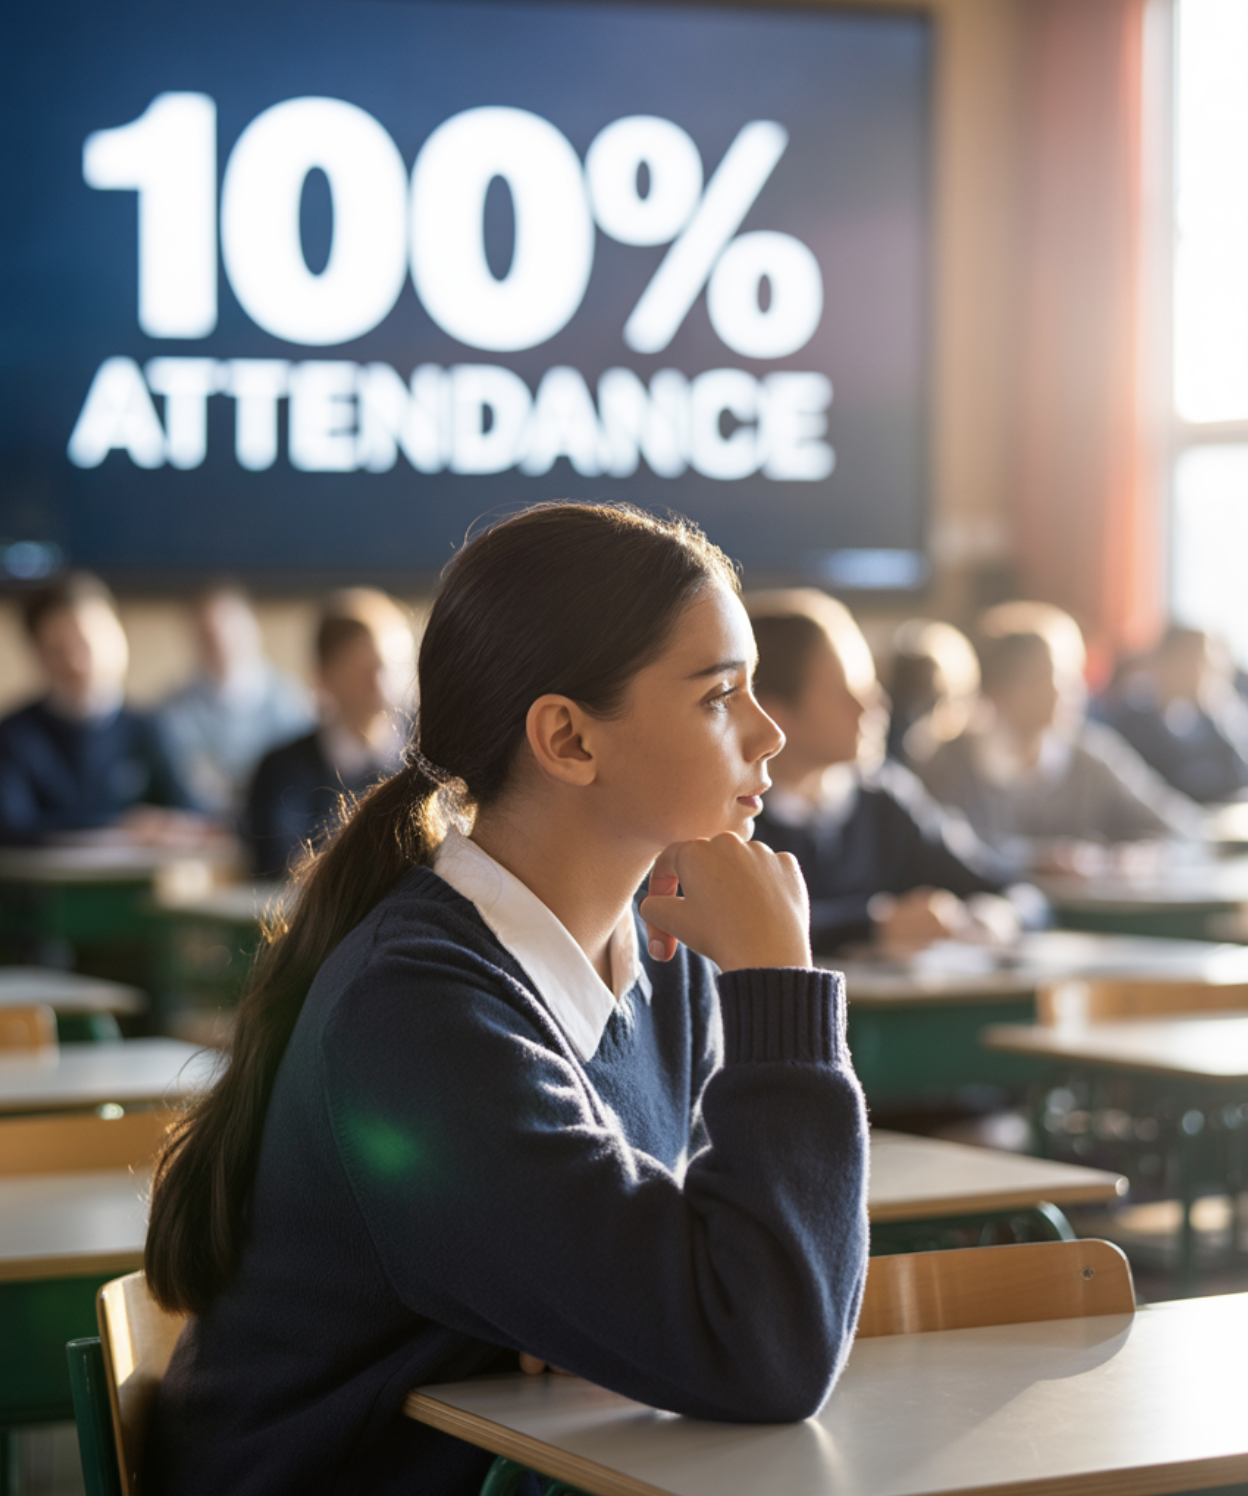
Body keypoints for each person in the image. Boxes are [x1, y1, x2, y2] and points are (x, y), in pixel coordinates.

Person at [143, 503, 868, 1496]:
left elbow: (738, 1283)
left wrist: (623, 1312)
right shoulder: (415, 1013)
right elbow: (766, 1344)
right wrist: (780, 987)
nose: (768, 731)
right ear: (567, 737)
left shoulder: (667, 960)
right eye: (718, 695)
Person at [747, 590, 1030, 954]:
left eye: (871, 687)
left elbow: (1015, 891)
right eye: (846, 693)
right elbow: (735, 924)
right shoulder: (734, 821)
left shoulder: (883, 801)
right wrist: (874, 927)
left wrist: (994, 918)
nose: (875, 706)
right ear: (774, 715)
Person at [916, 601, 1202, 870]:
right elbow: (941, 850)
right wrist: (1039, 859)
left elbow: (1178, 826)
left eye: (1070, 677)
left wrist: (1125, 857)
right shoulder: (949, 763)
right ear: (998, 689)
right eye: (1045, 678)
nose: (1064, 691)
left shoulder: (1091, 756)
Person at [0, 572, 198, 845]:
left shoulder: (151, 727)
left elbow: (190, 811)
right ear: (38, 654)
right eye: (59, 649)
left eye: (87, 643)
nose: (76, 662)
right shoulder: (14, 736)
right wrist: (120, 827)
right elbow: (11, 825)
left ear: (119, 637)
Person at [245, 589, 415, 878]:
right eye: (365, 671)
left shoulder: (432, 756)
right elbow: (282, 863)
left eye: (392, 668)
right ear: (323, 676)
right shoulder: (282, 770)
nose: (381, 684)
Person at [159, 582, 314, 817]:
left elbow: (294, 781)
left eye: (231, 631)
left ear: (253, 630)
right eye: (209, 636)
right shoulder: (173, 710)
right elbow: (186, 783)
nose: (222, 643)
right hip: (200, 825)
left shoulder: (291, 702)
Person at [1096, 625, 1248, 804]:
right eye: (1198, 663)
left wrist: (1218, 714)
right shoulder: (1133, 720)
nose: (1206, 675)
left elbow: (1239, 775)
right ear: (1171, 663)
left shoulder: (1198, 718)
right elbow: (1160, 791)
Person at [885, 617, 981, 768]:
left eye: (929, 701)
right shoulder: (880, 754)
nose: (913, 714)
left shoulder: (970, 759)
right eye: (907, 695)